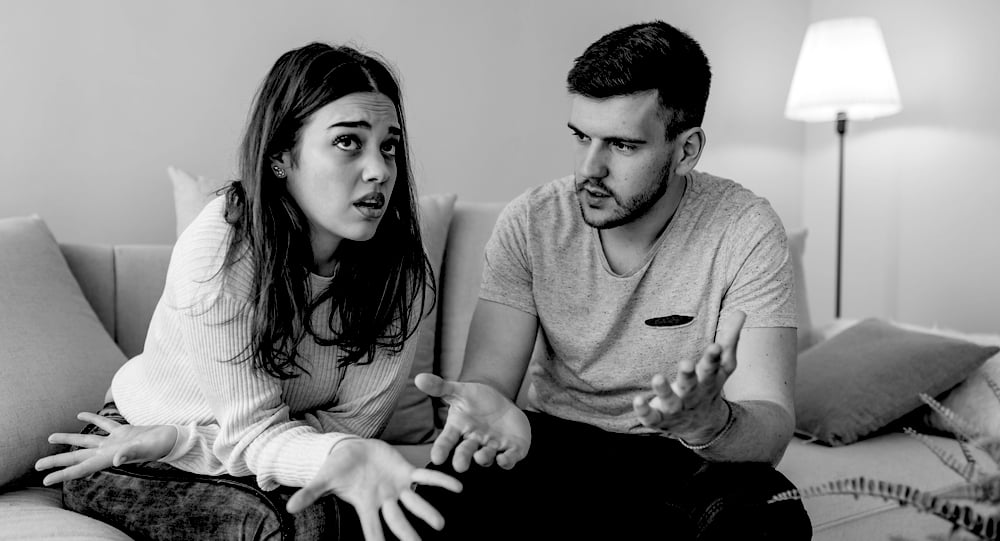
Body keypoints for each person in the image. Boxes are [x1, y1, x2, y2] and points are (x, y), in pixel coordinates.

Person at [34, 42, 461, 541]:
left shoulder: (401, 276)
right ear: (281, 156)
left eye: (389, 146)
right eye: (349, 141)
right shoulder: (222, 251)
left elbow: (351, 430)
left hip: (192, 443)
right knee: (303, 522)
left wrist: (186, 440)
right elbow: (268, 438)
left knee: (380, 509)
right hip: (131, 446)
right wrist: (182, 440)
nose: (380, 170)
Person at [410, 20, 812, 540]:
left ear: (686, 150)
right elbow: (487, 381)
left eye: (622, 145)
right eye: (581, 137)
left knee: (772, 515)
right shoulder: (532, 222)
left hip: (682, 463)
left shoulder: (745, 229)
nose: (589, 169)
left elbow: (771, 427)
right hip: (551, 447)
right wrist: (485, 406)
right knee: (437, 494)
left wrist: (708, 421)